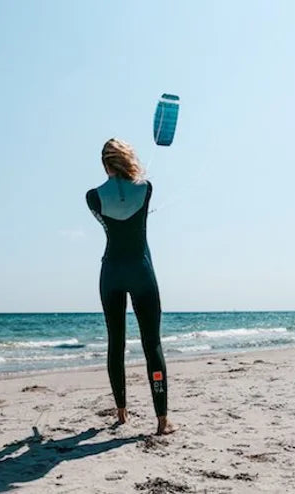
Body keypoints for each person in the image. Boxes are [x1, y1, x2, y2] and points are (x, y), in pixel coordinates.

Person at [85, 138, 178, 435]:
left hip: (111, 273)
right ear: (128, 158)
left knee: (116, 344)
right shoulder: (146, 189)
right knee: (152, 344)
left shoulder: (92, 197)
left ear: (104, 163)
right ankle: (162, 421)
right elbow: (137, 194)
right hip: (141, 271)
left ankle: (122, 414)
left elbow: (110, 220)